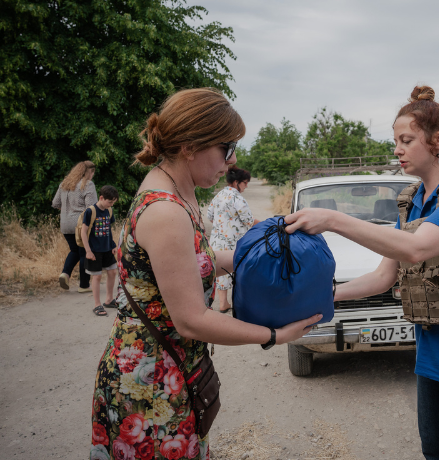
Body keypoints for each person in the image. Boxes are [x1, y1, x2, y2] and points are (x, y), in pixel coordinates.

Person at [285, 86, 439, 460]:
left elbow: (417, 248)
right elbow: (384, 277)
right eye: (395, 141)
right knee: (436, 453)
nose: (397, 149)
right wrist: (322, 297)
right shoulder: (414, 201)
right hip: (434, 356)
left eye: (406, 140)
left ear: (437, 141)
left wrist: (331, 219)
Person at [91, 88, 320, 458]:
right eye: (227, 148)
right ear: (190, 145)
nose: (231, 161)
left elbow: (195, 260)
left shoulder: (180, 190)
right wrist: (275, 335)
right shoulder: (166, 212)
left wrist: (255, 254)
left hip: (171, 372)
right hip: (150, 385)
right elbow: (192, 321)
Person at [207, 166, 254, 313]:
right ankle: (240, 303)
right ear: (236, 182)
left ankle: (223, 303)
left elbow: (209, 215)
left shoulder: (218, 196)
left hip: (217, 240)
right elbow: (248, 220)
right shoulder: (237, 198)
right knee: (238, 269)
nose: (246, 186)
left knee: (221, 271)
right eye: (245, 183)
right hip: (234, 241)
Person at [52, 160, 96, 292]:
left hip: (65, 224)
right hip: (80, 224)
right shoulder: (88, 184)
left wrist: (68, 211)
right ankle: (84, 285)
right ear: (90, 172)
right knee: (84, 253)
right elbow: (91, 207)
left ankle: (65, 274)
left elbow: (55, 203)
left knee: (74, 251)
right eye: (93, 172)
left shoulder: (64, 184)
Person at [81, 185, 119, 317]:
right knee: (96, 276)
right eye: (109, 202)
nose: (111, 205)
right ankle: (97, 304)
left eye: (113, 202)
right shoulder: (91, 211)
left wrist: (113, 244)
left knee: (113, 271)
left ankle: (109, 300)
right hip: (94, 250)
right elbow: (83, 231)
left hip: (108, 248)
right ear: (101, 198)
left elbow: (108, 229)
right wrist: (88, 251)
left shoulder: (109, 211)